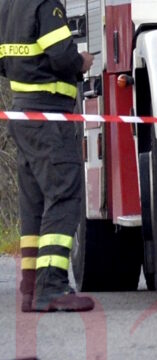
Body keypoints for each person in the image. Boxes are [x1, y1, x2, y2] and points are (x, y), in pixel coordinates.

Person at [0, 0, 94, 312]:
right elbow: (61, 56)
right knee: (63, 194)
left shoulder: (7, 7)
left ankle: (30, 286)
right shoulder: (46, 5)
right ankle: (52, 286)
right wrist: (81, 62)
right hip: (49, 115)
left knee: (35, 202)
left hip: (22, 113)